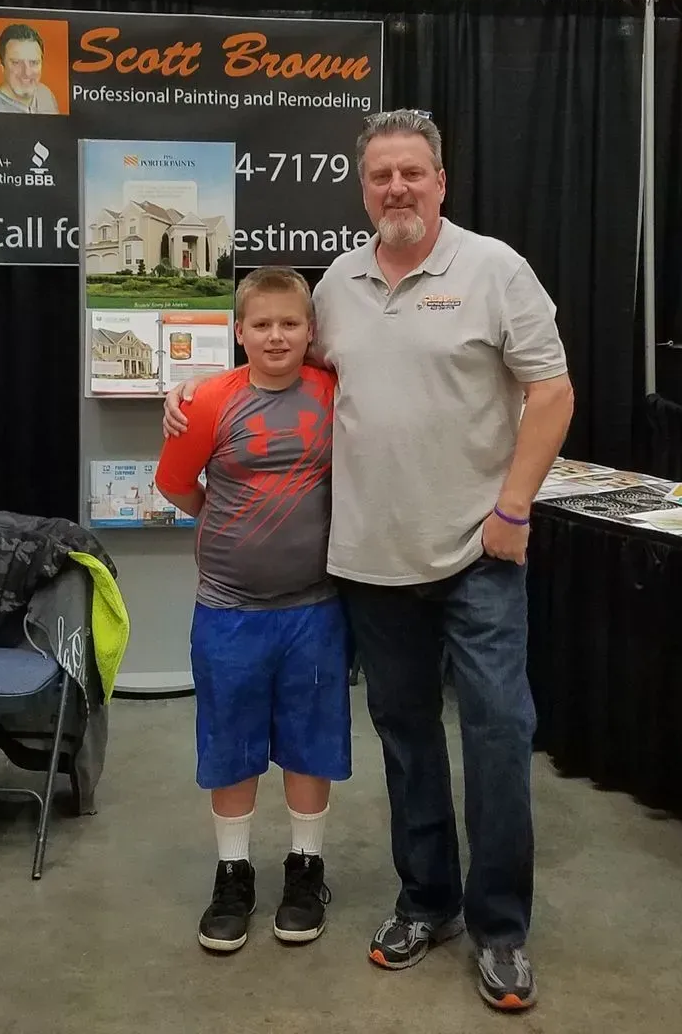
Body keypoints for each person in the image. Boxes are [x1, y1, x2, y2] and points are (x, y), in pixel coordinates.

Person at [166, 111, 573, 1012]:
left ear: (440, 181)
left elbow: (551, 390)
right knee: (406, 737)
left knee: (499, 736)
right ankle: (428, 900)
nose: (397, 189)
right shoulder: (337, 286)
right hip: (372, 565)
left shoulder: (495, 270)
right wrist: (189, 396)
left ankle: (501, 928)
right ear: (364, 189)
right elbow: (272, 370)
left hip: (479, 553)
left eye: (412, 174)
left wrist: (514, 507)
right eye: (381, 175)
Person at [154, 266, 350, 955]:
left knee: (309, 741)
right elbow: (175, 484)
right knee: (230, 746)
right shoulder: (206, 402)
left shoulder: (334, 392)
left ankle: (305, 870)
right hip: (229, 610)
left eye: (289, 323)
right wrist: (226, 526)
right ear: (238, 332)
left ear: (310, 332)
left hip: (315, 609)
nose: (275, 336)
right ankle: (233, 875)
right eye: (261, 324)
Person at [0, 22, 60, 114]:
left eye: (34, 62)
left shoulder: (46, 95)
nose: (27, 73)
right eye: (16, 63)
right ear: (2, 67)